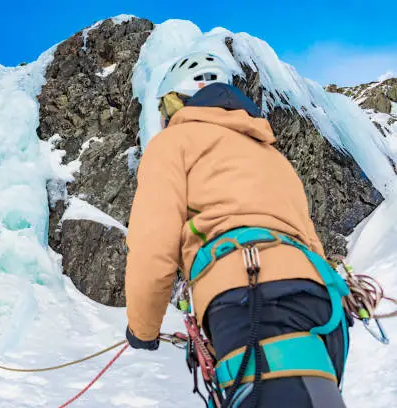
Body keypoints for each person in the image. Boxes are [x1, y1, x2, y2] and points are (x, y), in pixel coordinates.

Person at [124, 52, 350, 408]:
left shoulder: (173, 143)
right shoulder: (270, 153)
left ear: (179, 99)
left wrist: (143, 329)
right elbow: (308, 237)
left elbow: (154, 244)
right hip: (320, 303)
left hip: (248, 298)